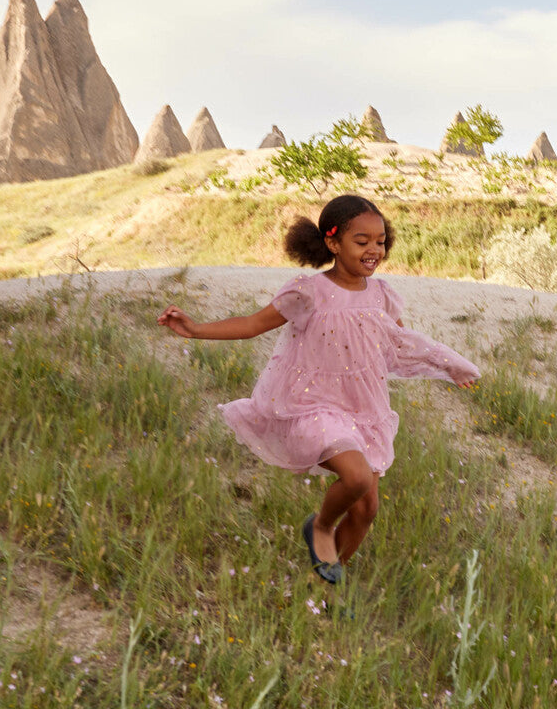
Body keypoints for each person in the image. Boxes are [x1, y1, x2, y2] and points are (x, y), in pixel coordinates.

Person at [158, 194, 479, 585]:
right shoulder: (308, 291)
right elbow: (253, 323)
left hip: (364, 407)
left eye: (380, 241)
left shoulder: (382, 296)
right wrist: (195, 329)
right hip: (312, 406)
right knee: (357, 477)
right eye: (361, 242)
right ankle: (321, 525)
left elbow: (398, 342)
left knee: (365, 511)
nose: (374, 250)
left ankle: (324, 588)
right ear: (332, 243)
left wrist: (451, 364)